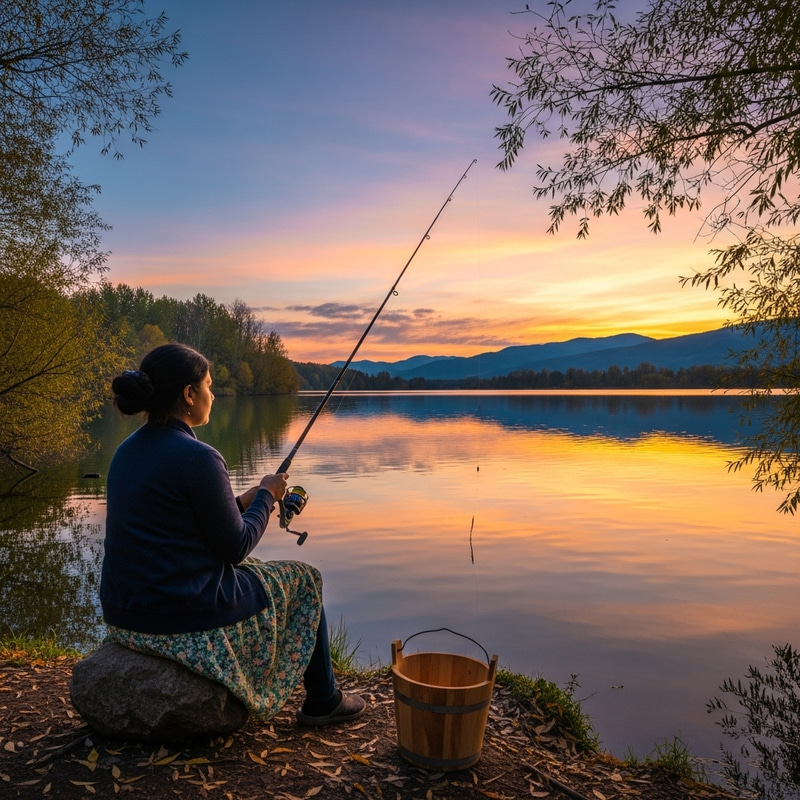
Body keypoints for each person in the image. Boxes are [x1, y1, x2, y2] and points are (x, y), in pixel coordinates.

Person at [99, 342, 365, 726]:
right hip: (178, 612)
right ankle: (323, 700)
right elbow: (236, 546)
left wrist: (248, 499)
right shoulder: (200, 457)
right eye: (208, 386)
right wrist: (268, 497)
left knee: (261, 570)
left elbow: (182, 521)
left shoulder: (126, 451)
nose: (212, 394)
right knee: (305, 579)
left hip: (124, 612)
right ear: (189, 395)